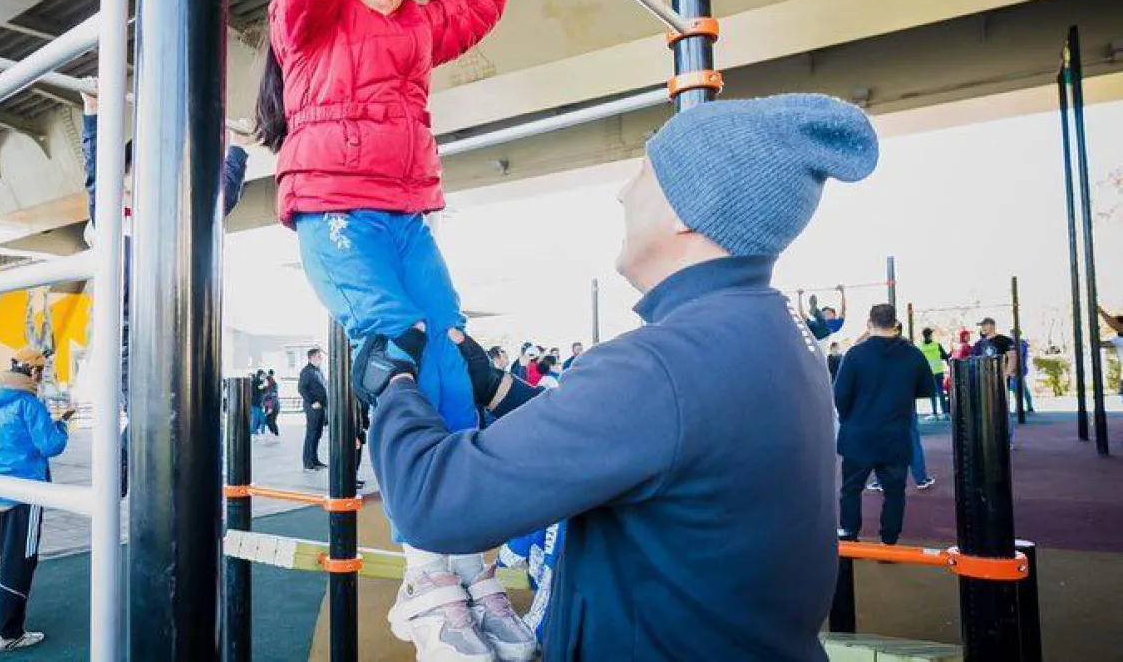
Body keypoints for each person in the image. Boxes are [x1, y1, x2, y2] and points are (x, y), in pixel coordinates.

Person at [360, 93, 880, 659]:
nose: (623, 192)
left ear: (688, 210)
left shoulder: (661, 365)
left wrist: (394, 390)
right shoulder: (771, 331)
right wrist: (500, 390)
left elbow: (432, 503)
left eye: (644, 173)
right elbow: (649, 440)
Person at [253, 0, 532, 661]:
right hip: (335, 210)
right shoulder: (311, 21)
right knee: (397, 348)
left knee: (453, 352)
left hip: (407, 216)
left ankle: (468, 561)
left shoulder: (414, 31)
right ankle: (424, 570)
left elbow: (478, 9)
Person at [80, 87, 249, 495]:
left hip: (179, 330)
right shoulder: (111, 216)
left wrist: (238, 150)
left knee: (185, 418)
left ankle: (175, 486)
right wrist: (95, 111)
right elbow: (95, 169)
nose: (139, 181)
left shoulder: (175, 220)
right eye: (132, 172)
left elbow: (219, 197)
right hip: (131, 329)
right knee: (142, 415)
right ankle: (124, 477)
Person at [0, 346, 73, 652]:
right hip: (25, 493)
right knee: (19, 562)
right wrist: (62, 424)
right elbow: (50, 445)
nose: (42, 377)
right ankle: (9, 633)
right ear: (33, 372)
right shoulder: (28, 403)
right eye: (42, 371)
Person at [833, 304, 935, 545]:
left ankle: (850, 533)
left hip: (859, 434)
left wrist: (849, 418)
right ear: (896, 325)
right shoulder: (913, 354)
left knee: (851, 488)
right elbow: (926, 388)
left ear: (870, 324)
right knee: (895, 492)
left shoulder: (856, 354)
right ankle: (889, 539)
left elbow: (840, 394)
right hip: (895, 434)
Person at [972, 317, 1019, 440]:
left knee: (1003, 410)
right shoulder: (978, 344)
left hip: (1000, 381)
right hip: (983, 382)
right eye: (981, 326)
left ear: (991, 325)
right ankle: (990, 438)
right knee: (985, 411)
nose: (982, 328)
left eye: (984, 325)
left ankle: (1008, 439)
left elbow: (1012, 357)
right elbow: (974, 361)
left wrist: (1006, 374)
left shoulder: (1004, 340)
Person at [299, 348, 329, 471]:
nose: (321, 359)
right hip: (313, 407)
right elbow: (302, 388)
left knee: (317, 434)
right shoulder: (307, 371)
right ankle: (308, 462)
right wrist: (312, 402)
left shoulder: (318, 370)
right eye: (319, 357)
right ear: (311, 358)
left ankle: (315, 460)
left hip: (321, 406)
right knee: (311, 434)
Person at [916, 327, 949, 418]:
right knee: (940, 391)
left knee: (932, 392)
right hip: (938, 371)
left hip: (928, 373)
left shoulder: (920, 348)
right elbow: (945, 356)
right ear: (930, 335)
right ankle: (945, 412)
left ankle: (934, 413)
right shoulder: (936, 345)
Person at [263, 369, 281, 437]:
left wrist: (270, 408)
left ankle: (276, 435)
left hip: (274, 407)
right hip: (269, 406)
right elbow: (265, 398)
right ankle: (273, 433)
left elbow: (273, 397)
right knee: (268, 421)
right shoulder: (266, 387)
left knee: (272, 421)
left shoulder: (273, 386)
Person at [251, 369, 267, 435]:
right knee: (256, 418)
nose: (264, 377)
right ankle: (254, 430)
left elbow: (262, 391)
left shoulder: (257, 381)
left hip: (257, 403)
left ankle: (258, 430)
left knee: (260, 418)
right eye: (263, 375)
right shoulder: (257, 382)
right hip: (256, 403)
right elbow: (261, 390)